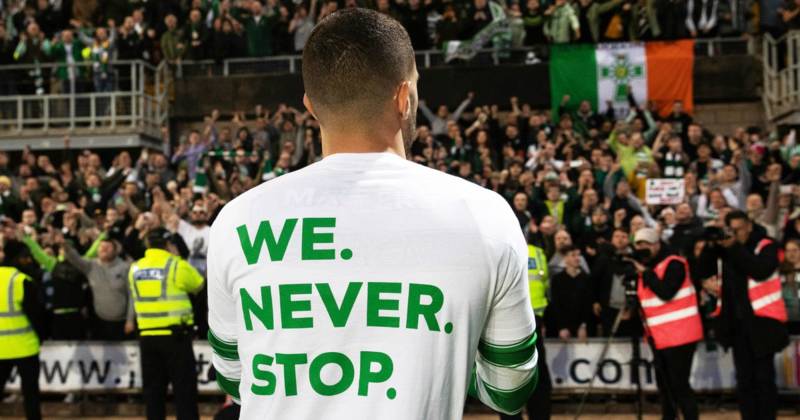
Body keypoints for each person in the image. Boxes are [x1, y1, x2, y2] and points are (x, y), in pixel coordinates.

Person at [207, 9, 538, 419]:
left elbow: (234, 377)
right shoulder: (484, 214)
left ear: (310, 106)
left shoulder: (238, 219)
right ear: (404, 98)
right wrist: (441, 358)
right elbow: (509, 390)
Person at [701, 211, 789, 420]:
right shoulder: (726, 248)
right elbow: (703, 269)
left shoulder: (767, 245)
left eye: (739, 229)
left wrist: (734, 247)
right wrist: (711, 245)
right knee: (744, 380)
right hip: (736, 325)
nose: (735, 234)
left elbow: (759, 270)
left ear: (749, 226)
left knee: (764, 379)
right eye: (731, 230)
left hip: (763, 324)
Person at [129, 228, 204, 420]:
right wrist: (178, 257)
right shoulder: (176, 265)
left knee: (153, 393)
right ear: (169, 244)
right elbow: (198, 284)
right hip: (175, 337)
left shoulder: (135, 269)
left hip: (147, 337)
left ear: (148, 244)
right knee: (184, 391)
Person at [632, 228, 702, 420]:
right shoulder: (647, 267)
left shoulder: (674, 263)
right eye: (638, 245)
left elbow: (666, 292)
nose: (642, 248)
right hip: (659, 335)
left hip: (681, 334)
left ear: (657, 244)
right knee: (665, 386)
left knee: (679, 385)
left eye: (646, 244)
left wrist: (646, 273)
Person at [499, 242, 552, 420]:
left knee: (508, 378)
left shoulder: (496, 248)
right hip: (530, 318)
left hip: (506, 319)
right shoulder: (536, 252)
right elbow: (545, 285)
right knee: (535, 375)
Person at [0, 240, 45, 420]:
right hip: (25, 347)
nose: (28, 260)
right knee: (31, 395)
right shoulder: (21, 280)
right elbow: (37, 315)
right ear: (17, 257)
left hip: (1, 349)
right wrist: (41, 336)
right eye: (25, 256)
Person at [61, 235, 133, 340]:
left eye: (108, 247)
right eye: (101, 247)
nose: (104, 249)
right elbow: (75, 259)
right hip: (99, 323)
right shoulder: (91, 265)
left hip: (122, 323)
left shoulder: (125, 267)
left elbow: (132, 296)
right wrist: (65, 245)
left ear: (115, 251)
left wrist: (130, 320)